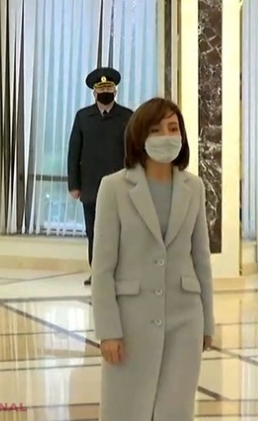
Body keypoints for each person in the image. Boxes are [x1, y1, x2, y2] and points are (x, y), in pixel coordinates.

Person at [91, 97, 215, 421]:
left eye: (173, 128)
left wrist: (208, 322)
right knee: (126, 409)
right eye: (156, 130)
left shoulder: (194, 187)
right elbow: (102, 268)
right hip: (131, 322)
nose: (166, 136)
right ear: (140, 136)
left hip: (185, 319)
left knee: (175, 410)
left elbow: (201, 259)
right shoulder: (114, 188)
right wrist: (108, 330)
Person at [67, 67, 133, 286]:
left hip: (121, 188)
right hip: (91, 187)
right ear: (94, 93)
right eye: (101, 89)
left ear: (115, 91)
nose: (105, 93)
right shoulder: (83, 117)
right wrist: (74, 185)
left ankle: (120, 272)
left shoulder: (127, 117)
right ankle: (97, 272)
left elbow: (134, 151)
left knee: (119, 233)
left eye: (109, 89)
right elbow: (74, 152)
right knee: (94, 233)